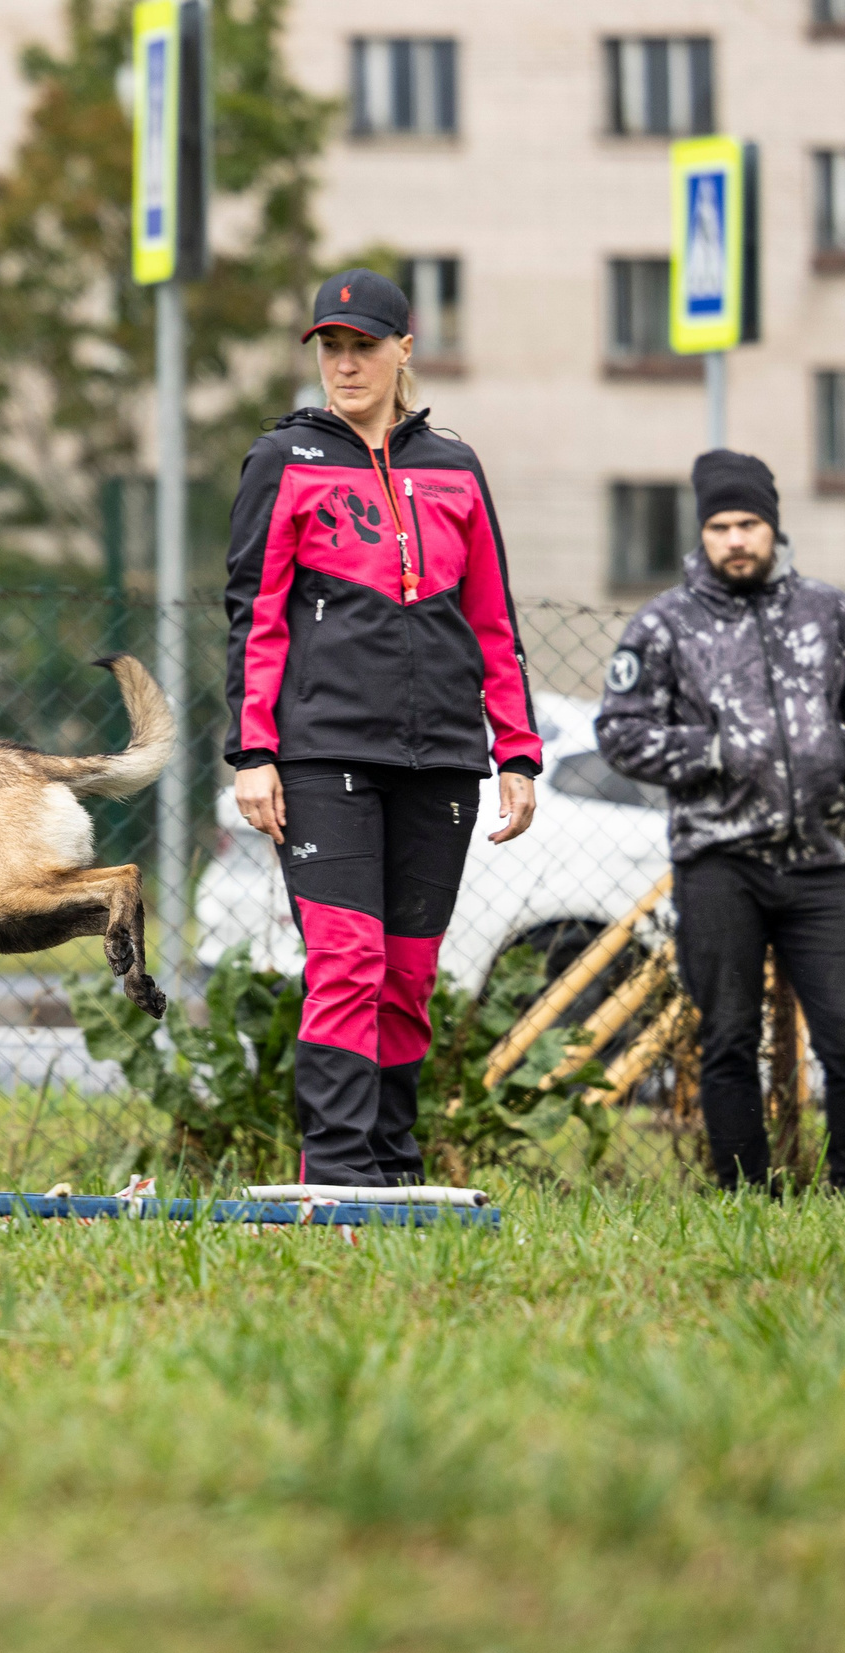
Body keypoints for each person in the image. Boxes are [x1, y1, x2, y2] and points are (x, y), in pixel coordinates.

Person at [221, 268, 542, 1186]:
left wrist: (514, 749)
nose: (346, 364)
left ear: (405, 351)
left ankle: (394, 1167)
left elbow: (493, 618)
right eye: (332, 347)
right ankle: (335, 1168)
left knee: (407, 975)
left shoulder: (456, 466)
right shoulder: (283, 459)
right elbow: (255, 612)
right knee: (348, 961)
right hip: (322, 753)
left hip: (440, 754)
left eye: (364, 346)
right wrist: (254, 751)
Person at [594, 449, 845, 1192]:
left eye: (748, 524)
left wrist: (840, 758)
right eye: (720, 526)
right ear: (702, 534)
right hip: (717, 863)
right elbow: (620, 731)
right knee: (728, 1038)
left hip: (816, 863)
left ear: (772, 527)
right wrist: (710, 751)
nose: (735, 539)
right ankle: (742, 1191)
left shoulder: (831, 614)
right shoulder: (664, 625)